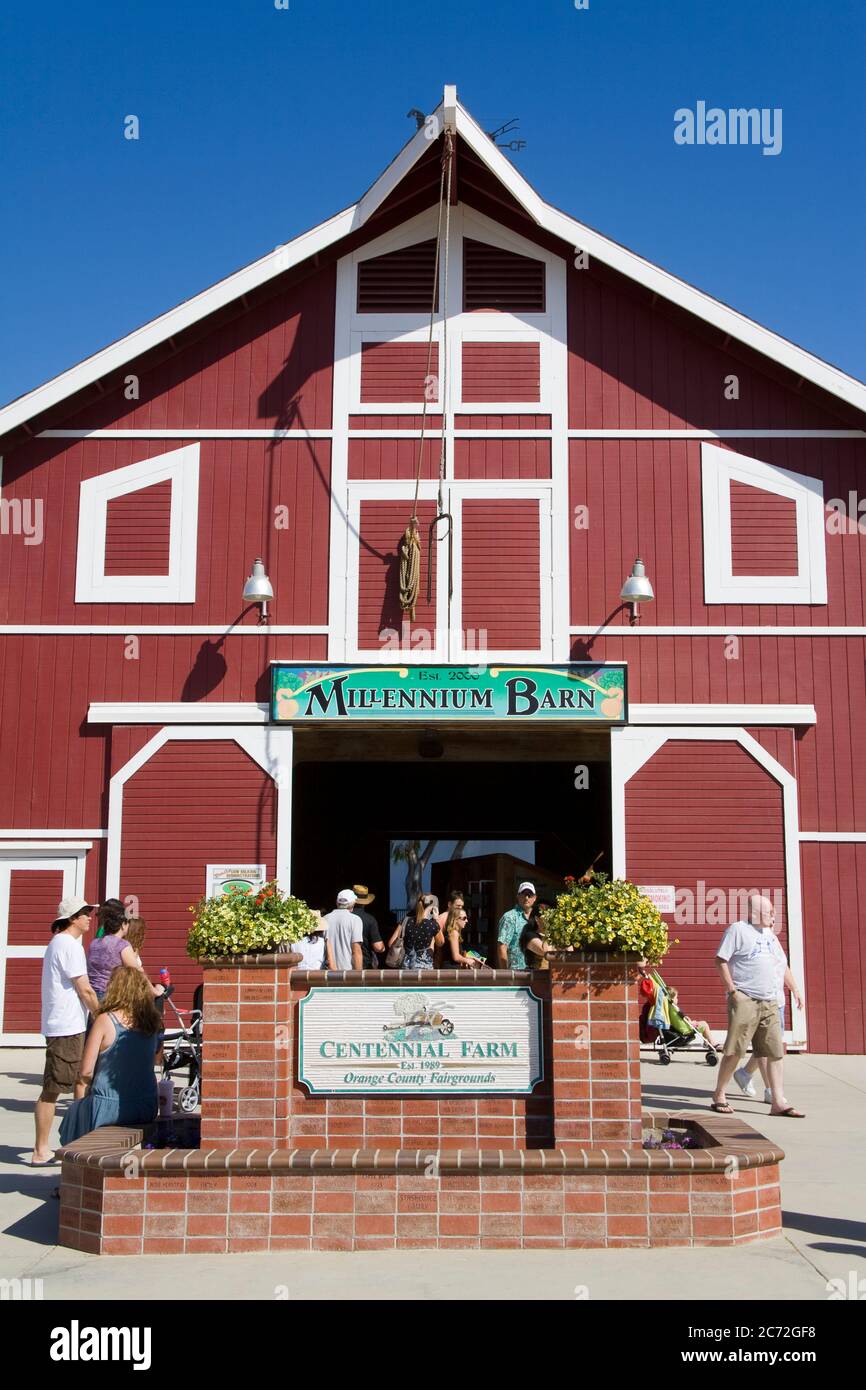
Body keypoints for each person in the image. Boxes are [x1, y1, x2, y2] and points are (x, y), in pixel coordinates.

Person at [711, 894, 805, 1117]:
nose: (773, 915)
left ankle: (778, 1101)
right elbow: (720, 960)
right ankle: (719, 1094)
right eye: (768, 912)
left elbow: (782, 965)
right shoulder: (738, 930)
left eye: (773, 911)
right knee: (735, 1051)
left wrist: (795, 990)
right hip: (745, 999)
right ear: (754, 913)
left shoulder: (770, 935)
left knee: (774, 1052)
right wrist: (733, 991)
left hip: (770, 1000)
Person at [31, 895, 100, 1165]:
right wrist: (101, 1014)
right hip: (65, 1026)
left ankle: (71, 1142)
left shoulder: (59, 944)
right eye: (84, 913)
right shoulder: (69, 946)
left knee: (78, 1081)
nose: (89, 917)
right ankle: (41, 1149)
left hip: (66, 1024)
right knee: (53, 1088)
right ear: (72, 918)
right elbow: (84, 988)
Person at [58, 966, 161, 1145]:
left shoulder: (105, 1020)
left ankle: (76, 1161)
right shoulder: (153, 1023)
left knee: (74, 1114)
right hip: (146, 1105)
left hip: (109, 1107)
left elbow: (86, 1072)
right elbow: (157, 1060)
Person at [733, 912, 804, 1103]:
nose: (773, 920)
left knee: (772, 1047)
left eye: (774, 917)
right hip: (758, 1001)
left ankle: (746, 1073)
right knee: (767, 1048)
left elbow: (783, 967)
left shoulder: (773, 940)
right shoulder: (749, 937)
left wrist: (795, 989)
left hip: (776, 1002)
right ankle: (770, 1089)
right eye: (770, 916)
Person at [88, 904, 162, 1001]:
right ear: (123, 925)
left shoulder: (94, 943)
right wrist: (154, 991)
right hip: (110, 995)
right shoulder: (122, 944)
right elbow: (137, 971)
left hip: (92, 994)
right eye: (127, 923)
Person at [389, 894, 443, 969]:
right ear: (432, 907)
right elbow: (440, 943)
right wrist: (436, 919)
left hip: (406, 967)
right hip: (424, 968)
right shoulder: (432, 925)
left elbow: (391, 943)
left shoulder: (406, 920)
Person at [496, 881, 537, 969]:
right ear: (518, 896)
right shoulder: (509, 917)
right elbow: (502, 947)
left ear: (535, 898)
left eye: (529, 895)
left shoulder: (539, 918)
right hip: (517, 973)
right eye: (523, 894)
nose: (526, 898)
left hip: (538, 973)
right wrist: (505, 974)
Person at [323, 889, 364, 970]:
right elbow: (356, 951)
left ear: (337, 902)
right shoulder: (355, 920)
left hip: (327, 972)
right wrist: (359, 976)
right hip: (347, 973)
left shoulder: (325, 919)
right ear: (353, 904)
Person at [352, 884, 385, 969]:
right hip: (364, 964)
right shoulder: (370, 919)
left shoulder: (344, 917)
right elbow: (378, 947)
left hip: (341, 963)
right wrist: (383, 948)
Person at [443, 901, 477, 968]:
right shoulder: (454, 933)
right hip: (450, 970)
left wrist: (469, 957)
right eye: (464, 918)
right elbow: (456, 957)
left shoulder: (454, 932)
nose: (466, 921)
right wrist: (468, 961)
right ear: (456, 919)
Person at [435, 889, 464, 967]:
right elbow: (437, 943)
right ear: (449, 904)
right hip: (445, 963)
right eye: (458, 906)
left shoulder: (457, 918)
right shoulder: (442, 918)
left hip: (454, 963)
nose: (460, 908)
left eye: (462, 906)